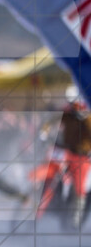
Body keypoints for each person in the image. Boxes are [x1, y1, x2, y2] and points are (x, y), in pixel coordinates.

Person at [34, 85, 91, 219]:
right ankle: (42, 202)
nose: (74, 107)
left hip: (82, 156)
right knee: (50, 170)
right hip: (66, 151)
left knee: (79, 188)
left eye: (76, 104)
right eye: (72, 104)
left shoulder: (88, 119)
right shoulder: (67, 112)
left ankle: (75, 220)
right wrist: (44, 133)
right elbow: (50, 121)